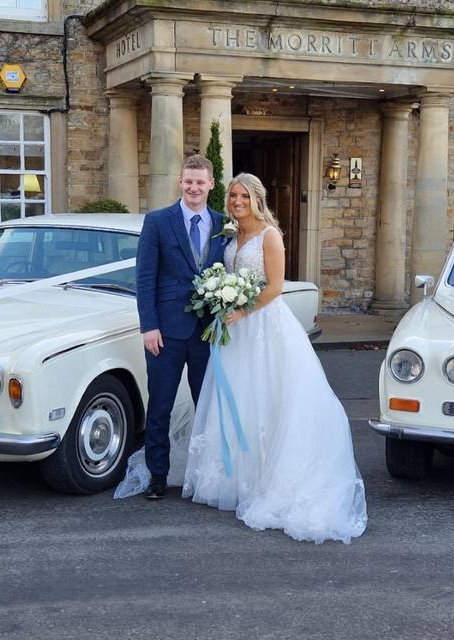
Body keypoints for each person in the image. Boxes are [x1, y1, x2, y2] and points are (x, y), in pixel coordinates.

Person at [182, 173, 367, 544]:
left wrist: (241, 310)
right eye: (233, 196)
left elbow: (275, 287)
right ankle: (236, 478)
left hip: (264, 326)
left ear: (257, 199)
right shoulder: (231, 235)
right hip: (235, 330)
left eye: (244, 196)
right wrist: (223, 301)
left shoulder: (270, 235)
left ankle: (269, 479)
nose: (237, 202)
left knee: (267, 397)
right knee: (238, 397)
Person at [135, 154, 229, 500]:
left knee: (207, 408)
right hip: (166, 332)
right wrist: (149, 326)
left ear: (211, 185)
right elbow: (144, 277)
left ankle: (203, 476)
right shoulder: (158, 221)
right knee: (160, 406)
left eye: (200, 182)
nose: (193, 188)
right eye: (188, 181)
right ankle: (157, 476)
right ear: (180, 182)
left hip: (207, 333)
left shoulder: (223, 224)